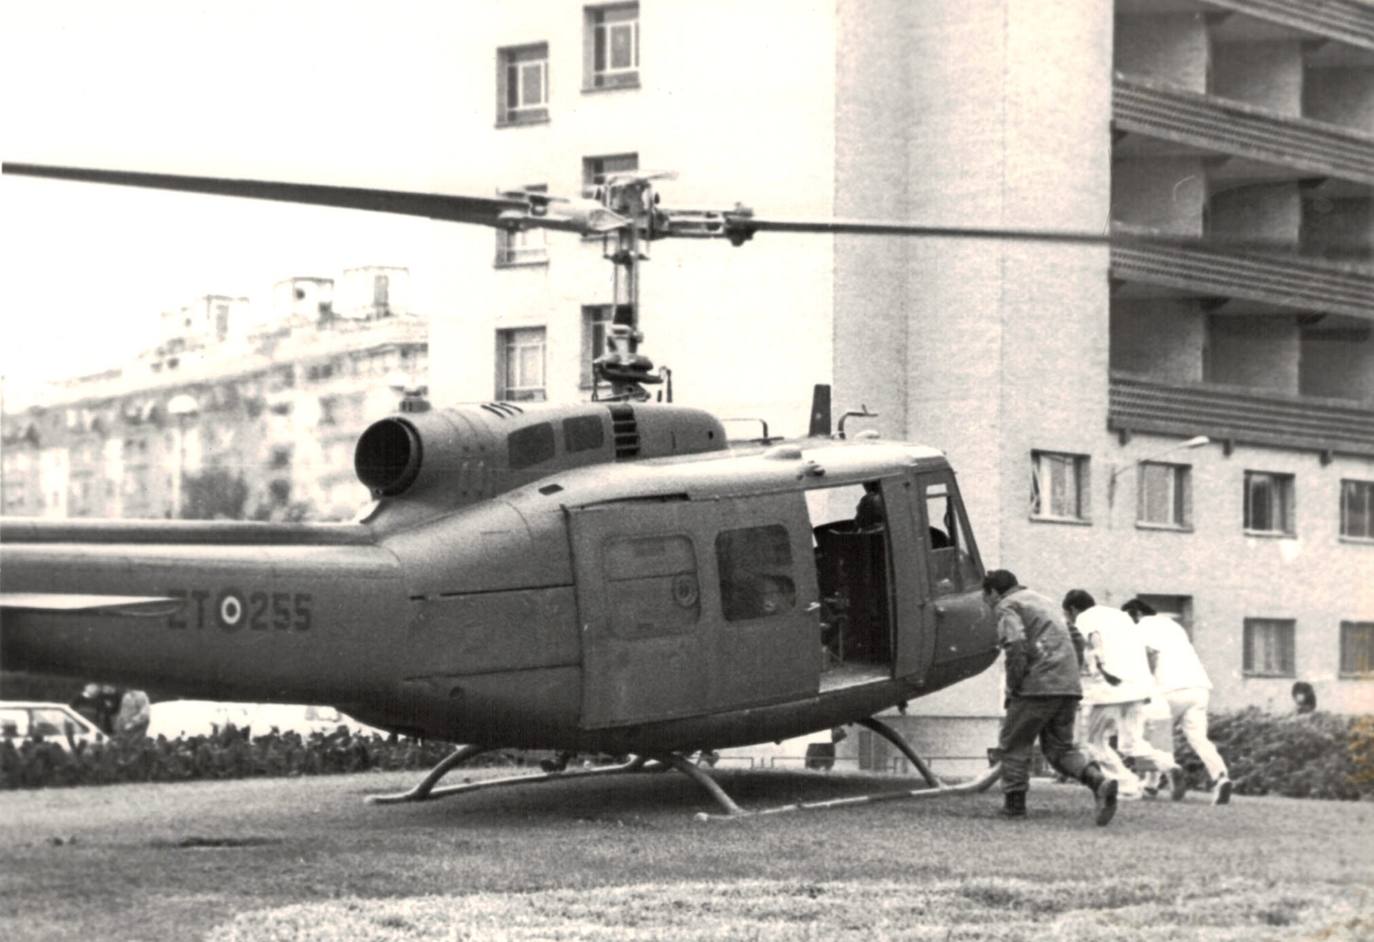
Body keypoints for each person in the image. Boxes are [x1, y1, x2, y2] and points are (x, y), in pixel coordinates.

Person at [983, 570, 1118, 825]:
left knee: (1014, 744)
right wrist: (1071, 673)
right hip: (1067, 687)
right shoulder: (1045, 601)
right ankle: (1099, 782)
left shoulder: (1007, 605)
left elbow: (1014, 644)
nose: (987, 602)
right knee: (1060, 749)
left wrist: (1013, 685)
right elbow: (1077, 638)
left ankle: (1014, 806)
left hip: (1036, 686)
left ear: (992, 592)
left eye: (985, 596)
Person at [1063, 590, 1182, 802]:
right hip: (1138, 688)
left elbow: (1092, 641)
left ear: (1072, 609)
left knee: (1094, 743)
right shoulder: (1121, 617)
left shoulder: (1085, 617)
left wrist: (1097, 667)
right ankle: (1168, 765)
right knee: (1130, 743)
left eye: (1068, 615)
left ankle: (1127, 786)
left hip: (1108, 690)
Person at [1122, 599, 1232, 805]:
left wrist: (1144, 685)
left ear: (1135, 613)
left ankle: (1151, 785)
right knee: (1199, 739)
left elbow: (1150, 655)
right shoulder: (1173, 625)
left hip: (1169, 688)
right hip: (1198, 687)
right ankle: (1221, 777)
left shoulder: (1143, 626)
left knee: (1152, 736)